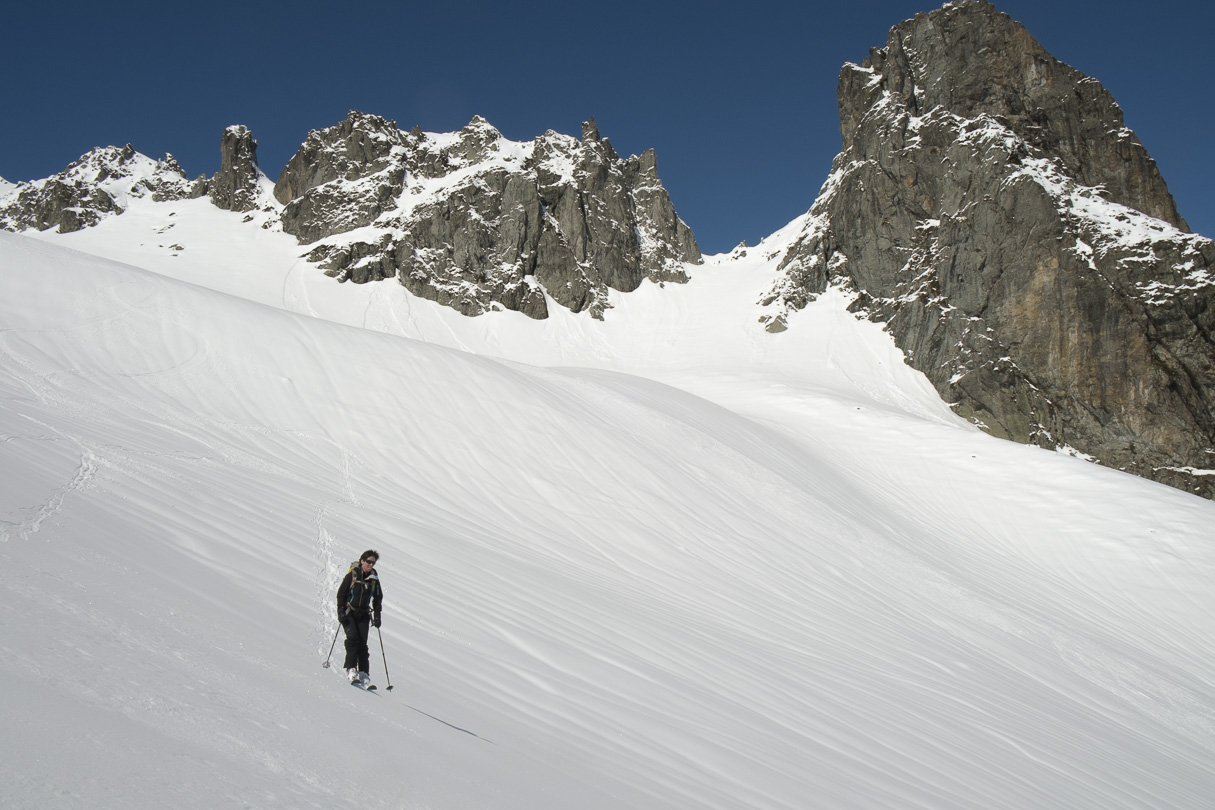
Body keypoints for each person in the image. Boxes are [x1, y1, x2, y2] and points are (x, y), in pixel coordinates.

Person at [336, 550, 383, 686]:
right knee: (353, 639)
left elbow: (378, 599)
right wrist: (340, 610)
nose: (370, 565)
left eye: (373, 563)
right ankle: (351, 669)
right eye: (368, 561)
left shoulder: (373, 579)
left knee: (362, 643)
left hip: (363, 615)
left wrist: (377, 616)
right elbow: (341, 594)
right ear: (362, 561)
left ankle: (364, 673)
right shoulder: (352, 575)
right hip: (349, 613)